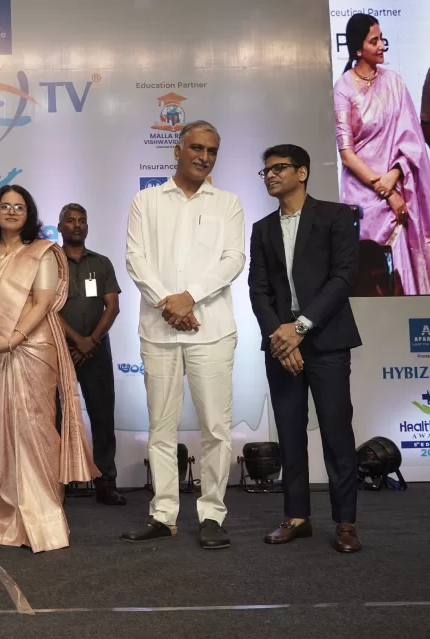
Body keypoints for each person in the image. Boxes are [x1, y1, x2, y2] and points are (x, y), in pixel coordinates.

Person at [122, 120, 245, 550]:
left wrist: (189, 298)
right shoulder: (146, 200)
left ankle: (212, 514)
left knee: (215, 428)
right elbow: (135, 259)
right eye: (196, 148)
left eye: (212, 151)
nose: (204, 157)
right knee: (160, 428)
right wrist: (169, 304)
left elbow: (233, 260)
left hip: (212, 331)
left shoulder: (228, 203)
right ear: (177, 150)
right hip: (159, 331)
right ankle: (163, 514)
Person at [248, 144, 363, 553]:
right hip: (281, 345)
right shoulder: (262, 228)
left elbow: (343, 278)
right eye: (266, 170)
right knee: (290, 433)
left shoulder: (336, 216)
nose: (271, 175)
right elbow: (258, 289)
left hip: (326, 341)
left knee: (336, 432)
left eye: (279, 168)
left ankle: (345, 522)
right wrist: (280, 337)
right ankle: (296, 517)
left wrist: (299, 328)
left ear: (302, 172)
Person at [0, 186, 95, 552]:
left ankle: (42, 519)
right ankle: (5, 515)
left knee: (34, 430)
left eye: (19, 207)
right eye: (5, 206)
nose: (12, 211)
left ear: (29, 214)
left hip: (31, 347)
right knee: (1, 431)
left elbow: (42, 303)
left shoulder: (42, 251)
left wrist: (13, 339)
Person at [334, 13, 430, 295]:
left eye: (381, 39)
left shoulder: (394, 82)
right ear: (358, 49)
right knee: (371, 274)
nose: (381, 46)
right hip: (364, 197)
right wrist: (386, 190)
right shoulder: (343, 89)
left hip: (398, 185)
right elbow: (347, 154)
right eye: (373, 41)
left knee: (402, 272)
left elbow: (411, 140)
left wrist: (394, 176)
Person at [55, 203, 124, 505]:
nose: (77, 225)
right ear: (60, 227)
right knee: (57, 419)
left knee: (102, 418)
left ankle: (106, 483)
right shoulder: (50, 263)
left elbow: (113, 307)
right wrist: (76, 341)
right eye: (70, 221)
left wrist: (90, 341)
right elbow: (47, 308)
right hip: (61, 351)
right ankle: (59, 483)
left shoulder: (102, 263)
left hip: (97, 351)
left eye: (82, 220)